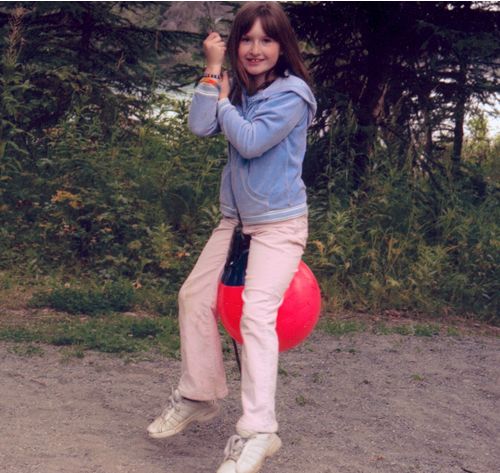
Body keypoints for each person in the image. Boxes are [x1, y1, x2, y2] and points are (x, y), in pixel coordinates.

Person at [147, 2, 317, 472]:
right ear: (236, 42)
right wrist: (211, 73)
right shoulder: (238, 88)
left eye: (266, 39)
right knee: (193, 297)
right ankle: (200, 394)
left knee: (256, 316)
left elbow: (250, 141)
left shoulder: (292, 94)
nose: (255, 49)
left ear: (282, 46)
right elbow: (201, 125)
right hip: (235, 224)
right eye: (247, 39)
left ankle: (258, 431)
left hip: (279, 224)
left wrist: (224, 101)